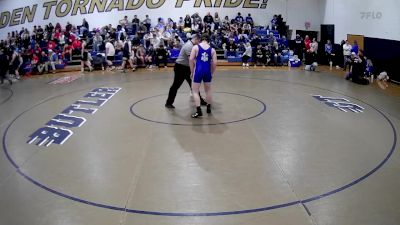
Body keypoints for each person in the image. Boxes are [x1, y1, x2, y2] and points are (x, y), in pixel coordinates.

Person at [165, 34, 206, 108]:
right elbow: (192, 59)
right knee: (175, 86)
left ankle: (200, 101)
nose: (199, 43)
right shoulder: (189, 46)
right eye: (199, 41)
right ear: (196, 39)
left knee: (194, 85)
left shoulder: (193, 46)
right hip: (180, 68)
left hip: (186, 67)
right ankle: (168, 103)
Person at [189, 34, 217, 118]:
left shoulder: (196, 47)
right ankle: (208, 108)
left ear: (201, 39)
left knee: (195, 91)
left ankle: (199, 111)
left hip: (198, 71)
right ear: (208, 40)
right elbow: (215, 63)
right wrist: (212, 72)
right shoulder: (212, 50)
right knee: (208, 90)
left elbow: (190, 59)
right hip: (207, 71)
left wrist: (192, 71)